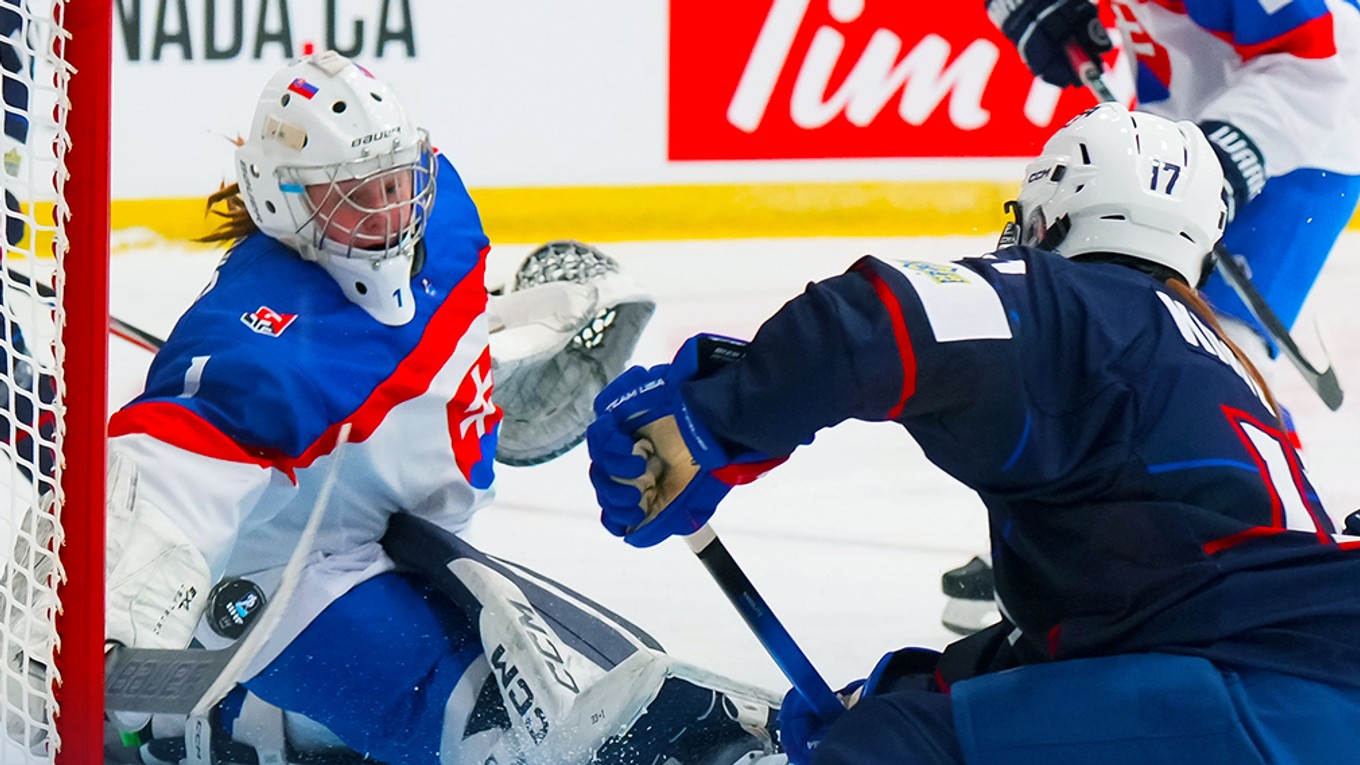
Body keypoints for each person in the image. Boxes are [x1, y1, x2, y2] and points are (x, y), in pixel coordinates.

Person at [586, 103, 1360, 764]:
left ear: (1054, 213)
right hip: (1304, 707)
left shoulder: (1081, 305)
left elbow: (873, 322)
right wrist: (922, 686)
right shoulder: (1213, 364)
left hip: (1256, 702)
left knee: (888, 750)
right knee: (906, 721)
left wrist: (712, 419)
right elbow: (1128, 616)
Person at [99, 50, 781, 765]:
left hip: (406, 532)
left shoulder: (443, 212)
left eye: (395, 181)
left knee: (562, 690)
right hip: (298, 576)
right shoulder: (262, 344)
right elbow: (164, 477)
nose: (389, 211)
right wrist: (114, 624)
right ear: (282, 200)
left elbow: (421, 346)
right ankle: (208, 718)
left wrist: (497, 372)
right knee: (505, 733)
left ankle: (261, 711)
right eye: (354, 194)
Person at [938, 0, 1360, 633]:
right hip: (1175, 124)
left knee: (1201, 350)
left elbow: (1331, 60)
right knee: (1101, 320)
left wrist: (1230, 150)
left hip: (1298, 143)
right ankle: (1068, 541)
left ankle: (1248, 556)